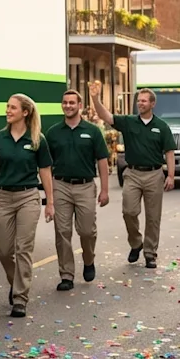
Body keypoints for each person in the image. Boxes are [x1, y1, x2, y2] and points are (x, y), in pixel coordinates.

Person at [0, 94, 54, 317]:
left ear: (25, 112)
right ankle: (15, 282)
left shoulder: (37, 140)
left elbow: (45, 172)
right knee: (4, 251)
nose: (8, 110)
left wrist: (50, 202)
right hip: (2, 198)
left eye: (12, 107)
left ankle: (20, 298)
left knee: (24, 249)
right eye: (7, 107)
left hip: (27, 198)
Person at [90, 81, 176, 268]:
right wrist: (95, 98)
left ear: (153, 104)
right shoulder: (128, 122)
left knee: (153, 217)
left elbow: (169, 152)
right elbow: (106, 116)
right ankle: (136, 243)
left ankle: (150, 253)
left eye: (145, 101)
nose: (141, 103)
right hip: (133, 174)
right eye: (139, 100)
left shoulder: (161, 126)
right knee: (129, 211)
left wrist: (171, 175)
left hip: (154, 174)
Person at [45, 90, 110, 291]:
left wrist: (105, 190)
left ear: (80, 105)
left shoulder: (92, 131)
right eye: (65, 102)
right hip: (61, 186)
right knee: (62, 231)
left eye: (72, 103)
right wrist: (49, 195)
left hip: (85, 186)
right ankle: (66, 275)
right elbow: (45, 165)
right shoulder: (53, 133)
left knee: (86, 231)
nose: (68, 106)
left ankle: (89, 260)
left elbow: (102, 161)